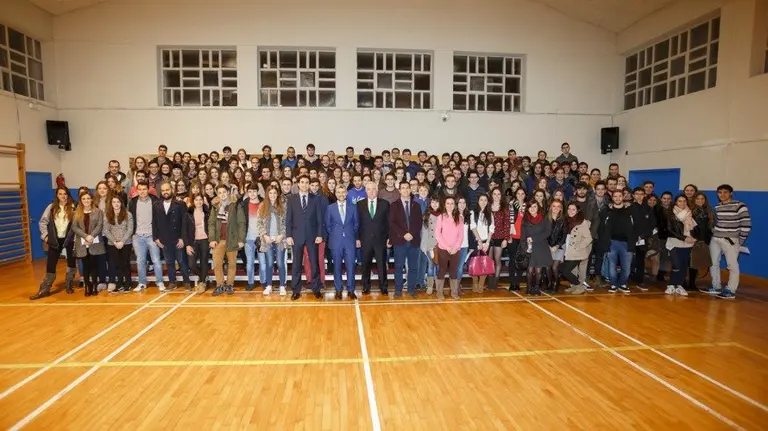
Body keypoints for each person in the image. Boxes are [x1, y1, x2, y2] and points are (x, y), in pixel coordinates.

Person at [703, 184, 751, 299]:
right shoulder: (717, 206)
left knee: (732, 265)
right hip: (716, 238)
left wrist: (741, 241)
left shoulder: (740, 206)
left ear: (731, 193)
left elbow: (746, 224)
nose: (722, 195)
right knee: (713, 263)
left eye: (725, 192)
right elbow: (717, 223)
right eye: (720, 192)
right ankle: (716, 286)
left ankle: (730, 290)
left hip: (731, 240)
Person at [31, 187, 78, 300]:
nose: (63, 196)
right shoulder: (51, 207)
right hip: (55, 240)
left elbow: (78, 223)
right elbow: (43, 222)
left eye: (65, 194)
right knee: (51, 264)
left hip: (69, 239)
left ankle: (69, 285)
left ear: (68, 195)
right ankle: (45, 289)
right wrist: (45, 236)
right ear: (57, 195)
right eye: (60, 194)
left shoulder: (74, 207)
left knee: (71, 263)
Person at [285, 175, 324, 300]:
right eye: (302, 182)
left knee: (314, 263)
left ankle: (316, 288)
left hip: (312, 236)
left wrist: (319, 234)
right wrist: (289, 235)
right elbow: (289, 219)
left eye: (307, 182)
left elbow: (319, 219)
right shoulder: (292, 199)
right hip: (296, 236)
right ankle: (296, 290)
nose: (305, 185)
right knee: (296, 264)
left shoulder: (316, 199)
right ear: (298, 184)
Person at [209, 184, 246, 296]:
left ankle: (229, 284)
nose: (222, 195)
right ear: (217, 194)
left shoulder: (235, 205)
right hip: (218, 240)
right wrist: (211, 238)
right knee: (217, 264)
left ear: (228, 192)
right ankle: (220, 285)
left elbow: (241, 223)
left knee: (232, 264)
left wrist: (241, 239)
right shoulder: (215, 206)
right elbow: (211, 223)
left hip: (232, 240)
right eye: (219, 193)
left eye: (224, 192)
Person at [153, 182, 191, 291]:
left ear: (172, 190)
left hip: (178, 238)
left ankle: (186, 282)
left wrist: (183, 238)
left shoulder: (180, 204)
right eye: (163, 190)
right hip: (164, 239)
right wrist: (156, 238)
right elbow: (154, 222)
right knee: (169, 262)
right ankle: (172, 282)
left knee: (182, 261)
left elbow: (185, 223)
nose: (165, 192)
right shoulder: (156, 205)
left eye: (167, 190)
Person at [598, 190, 636, 294]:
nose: (618, 198)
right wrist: (604, 242)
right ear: (612, 197)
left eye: (620, 196)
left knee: (626, 267)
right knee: (612, 266)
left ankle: (623, 284)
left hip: (627, 243)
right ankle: (614, 284)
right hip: (612, 242)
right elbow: (601, 228)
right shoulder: (606, 211)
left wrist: (634, 240)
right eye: (615, 196)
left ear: (623, 197)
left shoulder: (630, 211)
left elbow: (636, 227)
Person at [389, 181, 423, 297]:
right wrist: (404, 234)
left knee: (413, 267)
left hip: (414, 240)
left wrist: (411, 234)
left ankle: (411, 289)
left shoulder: (416, 205)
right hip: (400, 240)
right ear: (399, 191)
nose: (405, 190)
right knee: (398, 266)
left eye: (407, 188)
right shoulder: (394, 205)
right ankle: (398, 289)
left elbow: (419, 222)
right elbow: (392, 223)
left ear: (410, 189)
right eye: (402, 188)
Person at [129, 181, 164, 291]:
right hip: (138, 236)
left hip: (151, 236)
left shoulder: (155, 201)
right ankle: (142, 282)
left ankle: (160, 282)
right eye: (140, 189)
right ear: (137, 190)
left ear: (148, 189)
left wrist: (157, 235)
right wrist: (133, 234)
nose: (142, 191)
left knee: (156, 260)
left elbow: (159, 219)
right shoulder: (133, 202)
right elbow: (130, 219)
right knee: (140, 261)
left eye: (144, 189)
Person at [357, 182, 390, 295]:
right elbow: (357, 223)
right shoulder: (359, 204)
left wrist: (389, 238)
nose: (371, 191)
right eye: (369, 189)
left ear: (377, 190)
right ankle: (366, 286)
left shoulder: (385, 204)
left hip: (380, 240)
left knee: (381, 265)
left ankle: (383, 287)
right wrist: (357, 238)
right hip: (365, 240)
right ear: (365, 191)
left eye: (373, 189)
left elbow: (388, 223)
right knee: (365, 265)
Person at [326, 186, 359, 300]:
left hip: (349, 241)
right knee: (337, 267)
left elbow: (356, 224)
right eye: (338, 192)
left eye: (343, 192)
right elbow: (328, 226)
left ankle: (351, 290)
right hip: (336, 242)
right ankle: (338, 290)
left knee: (350, 267)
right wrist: (337, 234)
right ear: (335, 193)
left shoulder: (353, 207)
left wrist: (348, 233)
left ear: (346, 193)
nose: (341, 194)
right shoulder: (330, 208)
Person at [71, 192, 106, 297]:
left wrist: (91, 236)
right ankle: (87, 286)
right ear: (81, 200)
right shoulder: (77, 212)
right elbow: (74, 227)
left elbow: (100, 225)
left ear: (92, 199)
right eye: (84, 199)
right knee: (85, 266)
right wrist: (85, 236)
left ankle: (94, 285)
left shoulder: (98, 212)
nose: (86, 200)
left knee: (94, 265)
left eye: (88, 198)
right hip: (82, 242)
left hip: (94, 242)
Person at [664, 194, 699, 296]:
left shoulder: (690, 213)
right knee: (676, 264)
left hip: (688, 244)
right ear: (676, 202)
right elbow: (670, 230)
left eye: (684, 201)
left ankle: (679, 285)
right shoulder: (671, 214)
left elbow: (695, 228)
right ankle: (671, 285)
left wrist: (694, 237)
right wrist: (684, 238)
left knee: (684, 265)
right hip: (674, 243)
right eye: (680, 201)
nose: (682, 203)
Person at [256, 186, 288, 296]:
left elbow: (286, 223)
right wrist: (264, 235)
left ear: (277, 194)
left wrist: (282, 235)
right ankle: (269, 286)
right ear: (267, 194)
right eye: (270, 193)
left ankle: (282, 286)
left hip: (280, 238)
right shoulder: (262, 206)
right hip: (267, 239)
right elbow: (259, 223)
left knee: (280, 263)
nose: (273, 195)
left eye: (275, 193)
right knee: (269, 263)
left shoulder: (283, 206)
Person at [435, 196, 464, 300]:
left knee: (453, 270)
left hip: (455, 249)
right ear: (445, 205)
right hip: (443, 248)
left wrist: (456, 247)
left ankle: (454, 293)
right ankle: (439, 292)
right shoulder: (441, 217)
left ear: (454, 205)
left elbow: (461, 235)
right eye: (448, 203)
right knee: (442, 270)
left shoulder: (459, 218)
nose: (450, 205)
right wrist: (447, 247)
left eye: (452, 203)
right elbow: (438, 234)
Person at [104, 195, 134, 293]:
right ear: (111, 204)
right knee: (116, 264)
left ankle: (128, 284)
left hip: (126, 243)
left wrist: (122, 241)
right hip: (113, 244)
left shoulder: (127, 214)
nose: (116, 204)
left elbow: (130, 229)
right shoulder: (107, 215)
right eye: (114, 202)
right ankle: (120, 283)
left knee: (125, 263)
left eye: (118, 202)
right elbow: (106, 230)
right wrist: (115, 242)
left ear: (121, 203)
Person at [560, 203, 593, 295]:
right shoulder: (567, 221)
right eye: (569, 209)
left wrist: (579, 246)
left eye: (573, 209)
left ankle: (579, 286)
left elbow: (589, 238)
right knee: (572, 271)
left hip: (578, 253)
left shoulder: (582, 222)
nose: (570, 211)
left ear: (578, 211)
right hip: (569, 251)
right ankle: (574, 286)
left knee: (565, 271)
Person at [521, 200, 552, 296]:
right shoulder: (525, 219)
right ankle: (529, 287)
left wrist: (534, 238)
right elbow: (523, 236)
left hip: (541, 246)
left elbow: (547, 232)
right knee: (530, 270)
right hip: (530, 247)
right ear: (527, 208)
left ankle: (537, 287)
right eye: (530, 207)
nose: (532, 209)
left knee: (538, 270)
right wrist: (524, 248)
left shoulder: (544, 218)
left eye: (534, 206)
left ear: (538, 207)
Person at [630, 187, 655, 291]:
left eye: (641, 194)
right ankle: (626, 278)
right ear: (633, 195)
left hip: (642, 239)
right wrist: (633, 236)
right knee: (628, 259)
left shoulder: (648, 208)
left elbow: (652, 225)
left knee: (640, 260)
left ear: (644, 195)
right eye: (637, 194)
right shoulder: (629, 207)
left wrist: (642, 236)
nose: (639, 196)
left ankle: (640, 280)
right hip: (631, 238)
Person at [689, 191, 714, 290]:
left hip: (704, 240)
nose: (700, 201)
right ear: (694, 200)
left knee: (697, 262)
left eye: (702, 199)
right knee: (690, 262)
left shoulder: (708, 211)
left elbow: (709, 227)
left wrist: (707, 239)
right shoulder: (690, 211)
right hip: (693, 240)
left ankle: (692, 283)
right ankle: (688, 283)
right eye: (698, 199)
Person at [470, 193, 493, 293]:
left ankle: (481, 284)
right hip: (476, 241)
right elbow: (473, 227)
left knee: (484, 264)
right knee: (475, 264)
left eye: (485, 200)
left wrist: (487, 242)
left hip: (486, 242)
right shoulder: (472, 213)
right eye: (481, 200)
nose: (483, 202)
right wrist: (479, 241)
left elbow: (492, 229)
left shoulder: (490, 214)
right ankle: (475, 283)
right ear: (478, 201)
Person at [187, 193, 210, 293]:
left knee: (204, 261)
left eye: (200, 199)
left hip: (205, 239)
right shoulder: (189, 212)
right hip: (193, 241)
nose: (199, 202)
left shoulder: (207, 211)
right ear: (193, 201)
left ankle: (202, 282)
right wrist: (187, 244)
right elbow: (185, 230)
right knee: (191, 264)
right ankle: (203, 276)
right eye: (196, 200)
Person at [241, 183, 262, 291]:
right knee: (249, 263)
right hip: (248, 238)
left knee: (263, 264)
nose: (252, 193)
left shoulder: (263, 202)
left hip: (261, 238)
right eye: (249, 191)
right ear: (247, 192)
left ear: (257, 191)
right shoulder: (244, 204)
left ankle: (263, 282)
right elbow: (240, 222)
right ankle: (250, 282)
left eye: (254, 191)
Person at [420, 196, 441, 296]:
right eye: (433, 202)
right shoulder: (426, 215)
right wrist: (424, 246)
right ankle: (429, 286)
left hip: (441, 245)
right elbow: (424, 232)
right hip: (429, 244)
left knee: (439, 266)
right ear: (430, 203)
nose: (435, 204)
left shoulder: (443, 215)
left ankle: (438, 286)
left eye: (437, 202)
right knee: (431, 266)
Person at [488, 188, 508, 289]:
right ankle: (490, 281)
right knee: (489, 260)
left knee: (497, 260)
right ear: (491, 195)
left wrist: (506, 238)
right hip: (489, 237)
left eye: (498, 194)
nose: (496, 196)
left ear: (501, 195)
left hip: (500, 237)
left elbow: (507, 224)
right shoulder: (488, 207)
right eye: (494, 194)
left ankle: (495, 281)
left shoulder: (504, 207)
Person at [546, 199, 566, 293]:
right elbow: (543, 233)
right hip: (547, 246)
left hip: (559, 247)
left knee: (554, 267)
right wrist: (548, 246)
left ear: (561, 209)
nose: (556, 208)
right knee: (547, 267)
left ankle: (556, 283)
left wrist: (557, 246)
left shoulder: (563, 220)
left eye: (558, 206)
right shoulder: (546, 219)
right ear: (551, 207)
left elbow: (563, 235)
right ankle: (549, 283)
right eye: (554, 206)